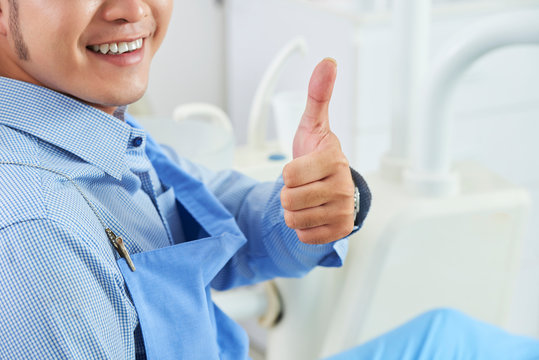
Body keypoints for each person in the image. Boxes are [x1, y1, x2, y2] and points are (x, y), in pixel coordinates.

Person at [0, 1, 537, 360]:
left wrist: (313, 203)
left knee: (451, 339)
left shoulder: (85, 120)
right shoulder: (33, 231)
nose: (133, 10)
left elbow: (210, 213)